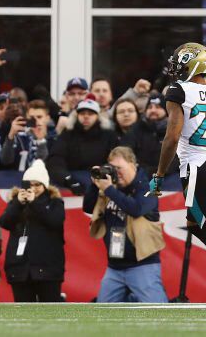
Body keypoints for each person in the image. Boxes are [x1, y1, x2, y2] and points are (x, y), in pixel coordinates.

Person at [84, 146, 167, 303]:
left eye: (119, 168)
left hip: (142, 265)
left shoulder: (148, 186)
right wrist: (95, 185)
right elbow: (88, 207)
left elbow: (136, 209)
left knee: (157, 310)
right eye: (112, 168)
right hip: (115, 267)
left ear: (132, 164)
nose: (116, 173)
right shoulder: (112, 187)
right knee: (102, 313)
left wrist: (109, 189)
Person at [149, 43, 206, 247]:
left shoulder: (178, 90)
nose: (176, 69)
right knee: (194, 223)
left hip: (196, 167)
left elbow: (172, 137)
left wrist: (160, 174)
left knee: (198, 224)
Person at [0, 160, 64, 302]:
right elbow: (4, 222)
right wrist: (17, 204)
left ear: (45, 185)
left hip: (47, 269)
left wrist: (34, 203)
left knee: (51, 309)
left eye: (37, 185)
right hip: (20, 269)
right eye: (29, 184)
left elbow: (55, 221)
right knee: (23, 309)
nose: (33, 188)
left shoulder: (55, 202)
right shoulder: (16, 202)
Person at [46, 99, 119, 195]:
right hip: (71, 176)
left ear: (98, 116)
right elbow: (55, 159)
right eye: (82, 113)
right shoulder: (67, 134)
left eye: (90, 114)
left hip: (99, 178)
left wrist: (103, 173)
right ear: (77, 115)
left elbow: (116, 159)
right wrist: (67, 179)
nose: (86, 116)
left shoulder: (109, 135)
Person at [0, 100, 56, 172]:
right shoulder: (19, 137)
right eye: (32, 118)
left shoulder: (54, 139)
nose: (36, 121)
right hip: (17, 177)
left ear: (47, 118)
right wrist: (11, 135)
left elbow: (44, 165)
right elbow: (5, 161)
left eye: (39, 117)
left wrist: (41, 141)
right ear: (27, 117)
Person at [113, 99, 161, 173]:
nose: (126, 114)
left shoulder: (149, 133)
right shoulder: (111, 137)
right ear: (115, 117)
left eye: (130, 111)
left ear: (137, 114)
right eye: (121, 112)